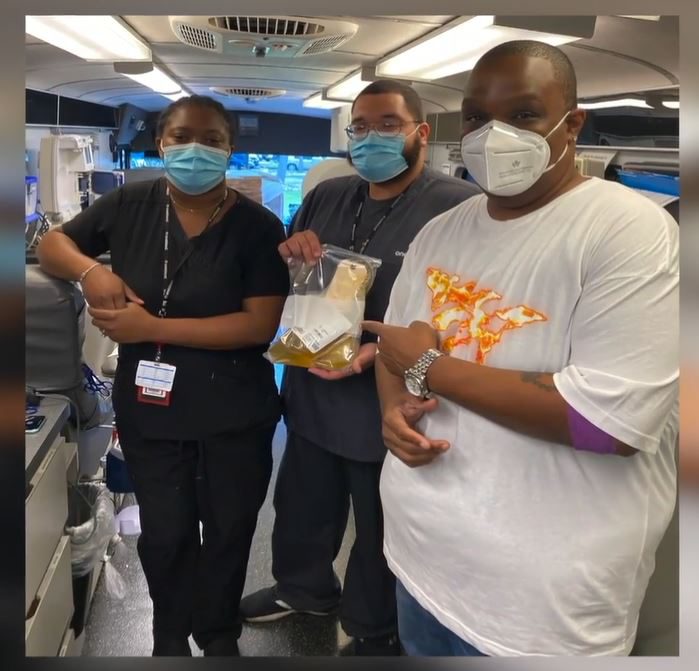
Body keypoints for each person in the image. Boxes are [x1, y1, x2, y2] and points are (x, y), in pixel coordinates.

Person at [362, 40, 679, 656]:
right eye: (478, 117)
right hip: (421, 559)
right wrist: (392, 410)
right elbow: (397, 346)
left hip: (538, 605)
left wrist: (426, 366)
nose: (492, 134)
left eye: (525, 114)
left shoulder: (631, 233)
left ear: (573, 122)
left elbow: (605, 427)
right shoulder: (442, 230)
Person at [36, 95, 289, 657]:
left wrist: (152, 325)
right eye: (179, 137)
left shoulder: (256, 225)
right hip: (153, 411)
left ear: (230, 149)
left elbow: (258, 325)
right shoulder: (130, 202)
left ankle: (218, 634)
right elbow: (52, 242)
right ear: (160, 144)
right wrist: (88, 272)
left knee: (228, 533)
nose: (194, 149)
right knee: (167, 534)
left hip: (234, 412)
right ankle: (169, 637)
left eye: (211, 140)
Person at [239, 80, 480, 655]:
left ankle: (374, 624)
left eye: (388, 125)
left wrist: (388, 354)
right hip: (312, 390)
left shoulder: (456, 208)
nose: (371, 138)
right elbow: (301, 271)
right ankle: (305, 588)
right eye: (361, 128)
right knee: (302, 504)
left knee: (377, 524)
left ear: (421, 132)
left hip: (386, 398)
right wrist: (293, 250)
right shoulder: (330, 194)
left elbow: (466, 314)